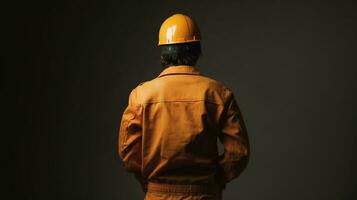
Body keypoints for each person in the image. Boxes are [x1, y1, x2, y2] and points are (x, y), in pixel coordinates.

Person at [118, 13, 250, 200]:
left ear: (163, 51)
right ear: (196, 50)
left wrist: (149, 181)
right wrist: (215, 181)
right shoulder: (218, 93)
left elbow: (128, 151)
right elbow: (239, 152)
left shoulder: (142, 95)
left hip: (158, 195)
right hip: (204, 194)